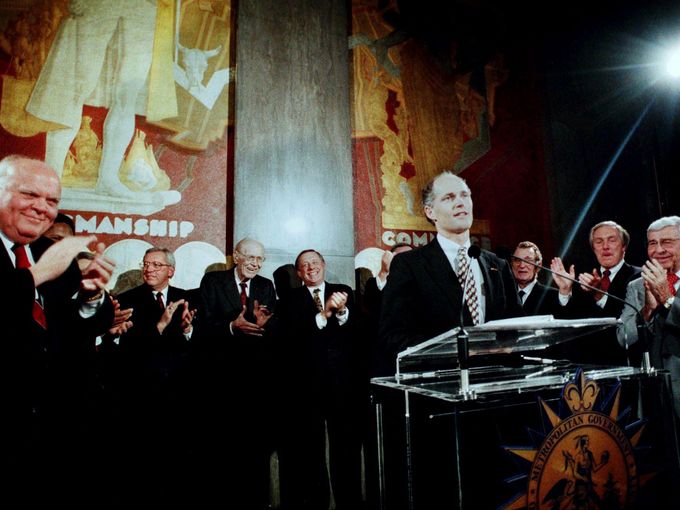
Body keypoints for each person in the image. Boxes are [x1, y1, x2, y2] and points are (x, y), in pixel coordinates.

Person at [0, 155, 114, 498]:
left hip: (55, 431)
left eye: (52, 201)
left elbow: (79, 328)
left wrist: (89, 297)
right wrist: (35, 275)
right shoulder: (48, 261)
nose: (42, 208)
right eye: (30, 194)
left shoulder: (51, 250)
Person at [26, 0, 171, 197]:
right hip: (98, 3)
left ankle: (108, 179)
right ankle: (53, 178)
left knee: (127, 94)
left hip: (146, 6)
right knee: (74, 84)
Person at [378, 171, 522, 368]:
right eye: (448, 198)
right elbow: (394, 337)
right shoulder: (410, 265)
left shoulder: (498, 265)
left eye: (465, 195)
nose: (460, 203)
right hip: (443, 384)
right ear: (430, 212)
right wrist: (460, 350)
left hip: (496, 383)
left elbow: (517, 327)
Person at [192, 238, 277, 509]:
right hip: (219, 381)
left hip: (254, 385)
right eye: (250, 257)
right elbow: (203, 326)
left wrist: (264, 326)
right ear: (236, 256)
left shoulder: (266, 286)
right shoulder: (213, 281)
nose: (255, 263)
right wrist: (231, 326)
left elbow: (270, 331)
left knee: (254, 453)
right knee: (221, 452)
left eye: (260, 259)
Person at [275, 249, 363, 510]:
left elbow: (357, 331)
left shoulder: (343, 289)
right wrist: (324, 314)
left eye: (315, 262)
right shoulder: (289, 300)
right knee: (311, 454)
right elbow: (292, 340)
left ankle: (351, 504)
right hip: (307, 390)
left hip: (342, 388)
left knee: (345, 452)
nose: (311, 268)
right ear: (299, 273)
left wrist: (343, 310)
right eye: (305, 265)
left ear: (324, 265)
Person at [108, 246, 195, 502]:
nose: (149, 269)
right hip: (142, 395)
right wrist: (159, 327)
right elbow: (124, 349)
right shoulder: (126, 299)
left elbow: (197, 346)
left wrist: (188, 330)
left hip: (179, 394)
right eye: (146, 264)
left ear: (171, 270)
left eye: (156, 265)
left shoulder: (187, 298)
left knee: (177, 464)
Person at [617, 216, 680, 420]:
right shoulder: (636, 286)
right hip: (655, 394)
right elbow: (623, 337)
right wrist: (646, 311)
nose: (659, 250)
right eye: (653, 243)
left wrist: (668, 299)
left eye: (667, 242)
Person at [559, 221, 641, 366]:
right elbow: (569, 327)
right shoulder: (584, 279)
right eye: (599, 241)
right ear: (593, 248)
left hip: (625, 364)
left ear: (624, 246)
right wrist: (565, 291)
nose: (605, 247)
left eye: (612, 240)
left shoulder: (639, 277)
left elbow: (630, 323)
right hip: (589, 368)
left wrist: (600, 296)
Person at [511, 241, 568, 317]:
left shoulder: (553, 296)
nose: (522, 265)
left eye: (528, 260)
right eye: (517, 260)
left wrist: (565, 291)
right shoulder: (504, 296)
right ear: (512, 264)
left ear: (539, 266)